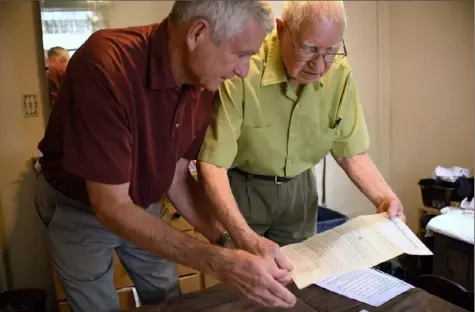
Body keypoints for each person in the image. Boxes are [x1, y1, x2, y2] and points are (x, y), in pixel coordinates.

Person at [36, 1, 297, 311]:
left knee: (168, 297)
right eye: (241, 55)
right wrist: (221, 263)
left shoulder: (204, 79)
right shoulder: (105, 64)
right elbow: (110, 206)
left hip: (142, 203)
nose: (242, 72)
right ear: (197, 33)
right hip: (78, 207)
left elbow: (176, 176)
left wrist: (238, 242)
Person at [197, 0, 406, 262]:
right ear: (282, 29)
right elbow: (213, 166)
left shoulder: (339, 74)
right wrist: (241, 237)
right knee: (243, 284)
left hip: (300, 193)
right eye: (309, 49)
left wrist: (385, 198)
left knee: (299, 285)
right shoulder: (244, 67)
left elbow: (351, 152)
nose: (319, 67)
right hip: (242, 191)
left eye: (331, 51)